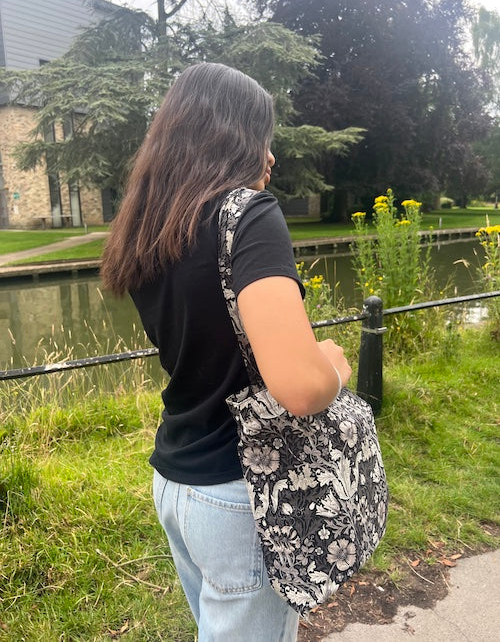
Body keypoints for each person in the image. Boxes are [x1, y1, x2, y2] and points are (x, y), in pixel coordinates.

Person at [101, 62, 352, 641]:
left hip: (178, 479)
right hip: (245, 492)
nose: (271, 156)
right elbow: (301, 388)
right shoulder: (250, 217)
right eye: (263, 137)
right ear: (237, 137)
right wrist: (333, 365)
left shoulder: (150, 226)